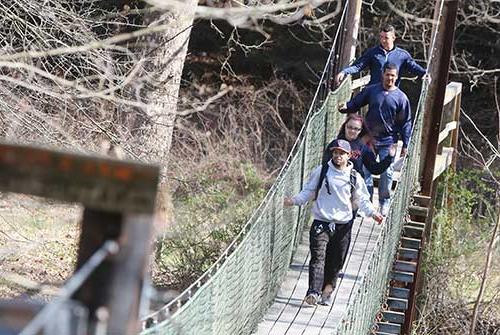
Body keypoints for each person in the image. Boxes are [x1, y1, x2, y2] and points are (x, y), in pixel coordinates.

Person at [284, 139, 383, 306]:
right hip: (321, 223)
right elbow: (309, 191)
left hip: (343, 226)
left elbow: (362, 200)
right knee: (318, 258)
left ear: (349, 155)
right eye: (335, 152)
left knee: (336, 263)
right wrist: (293, 201)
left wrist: (373, 213)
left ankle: (326, 292)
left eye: (342, 153)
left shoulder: (354, 177)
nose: (338, 156)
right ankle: (313, 292)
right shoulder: (322, 171)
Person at [339, 62, 411, 216]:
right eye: (387, 75)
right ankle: (367, 203)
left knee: (387, 173)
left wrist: (406, 143)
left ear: (396, 77)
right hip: (368, 139)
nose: (390, 78)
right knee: (365, 171)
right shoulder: (372, 91)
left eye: (393, 75)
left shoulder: (401, 98)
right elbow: (356, 103)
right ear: (382, 75)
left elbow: (405, 122)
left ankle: (384, 202)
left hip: (389, 140)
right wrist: (345, 106)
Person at [323, 114, 396, 198]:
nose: (352, 131)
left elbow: (374, 169)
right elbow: (325, 165)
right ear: (345, 126)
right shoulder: (335, 144)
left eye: (356, 129)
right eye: (350, 127)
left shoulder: (362, 148)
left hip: (354, 190)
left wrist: (389, 157)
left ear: (360, 130)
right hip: (334, 187)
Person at [335, 24, 427, 87]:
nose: (383, 40)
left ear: (393, 38)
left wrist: (424, 73)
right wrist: (344, 72)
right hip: (374, 92)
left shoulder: (402, 55)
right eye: (381, 37)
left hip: (391, 93)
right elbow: (358, 66)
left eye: (386, 38)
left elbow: (414, 68)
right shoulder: (373, 53)